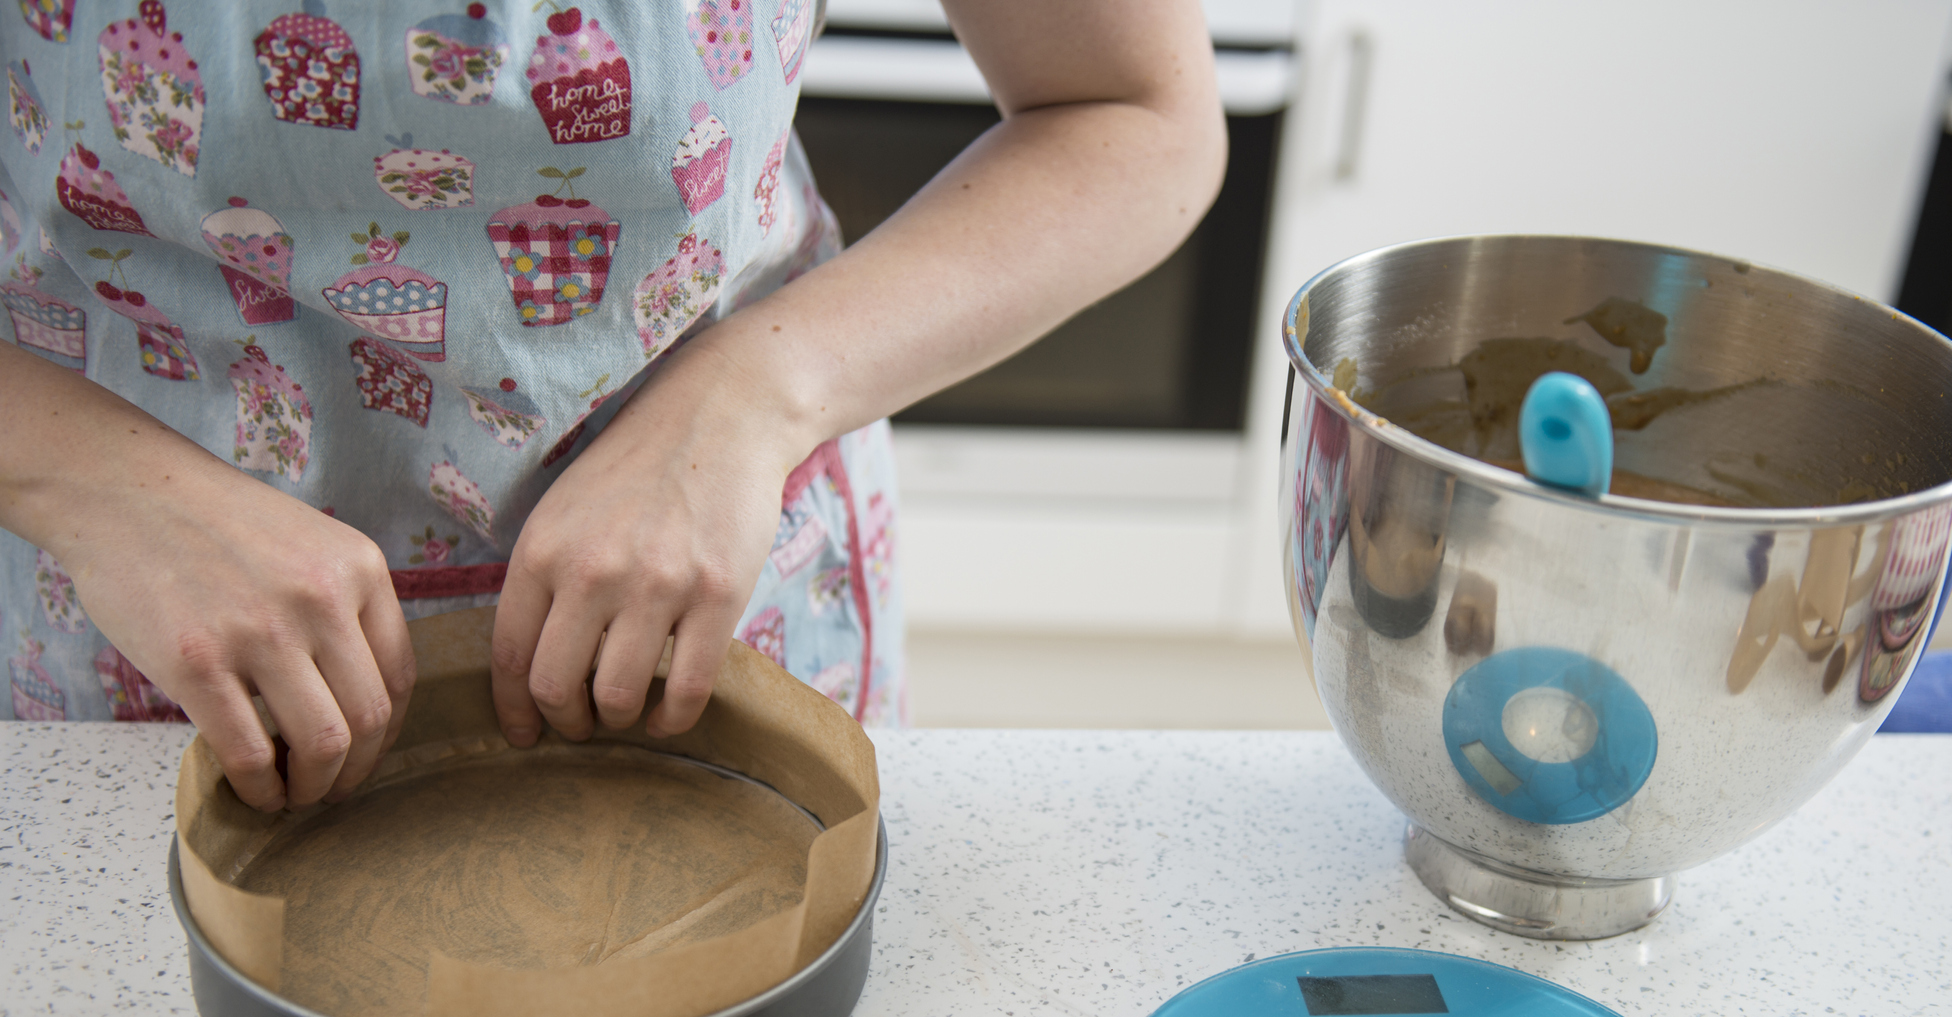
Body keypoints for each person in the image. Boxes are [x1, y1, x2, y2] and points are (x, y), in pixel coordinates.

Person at [0, 0, 1224, 810]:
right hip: (146, 637)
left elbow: (1128, 113)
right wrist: (87, 481)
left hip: (719, 592)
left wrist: (756, 395)